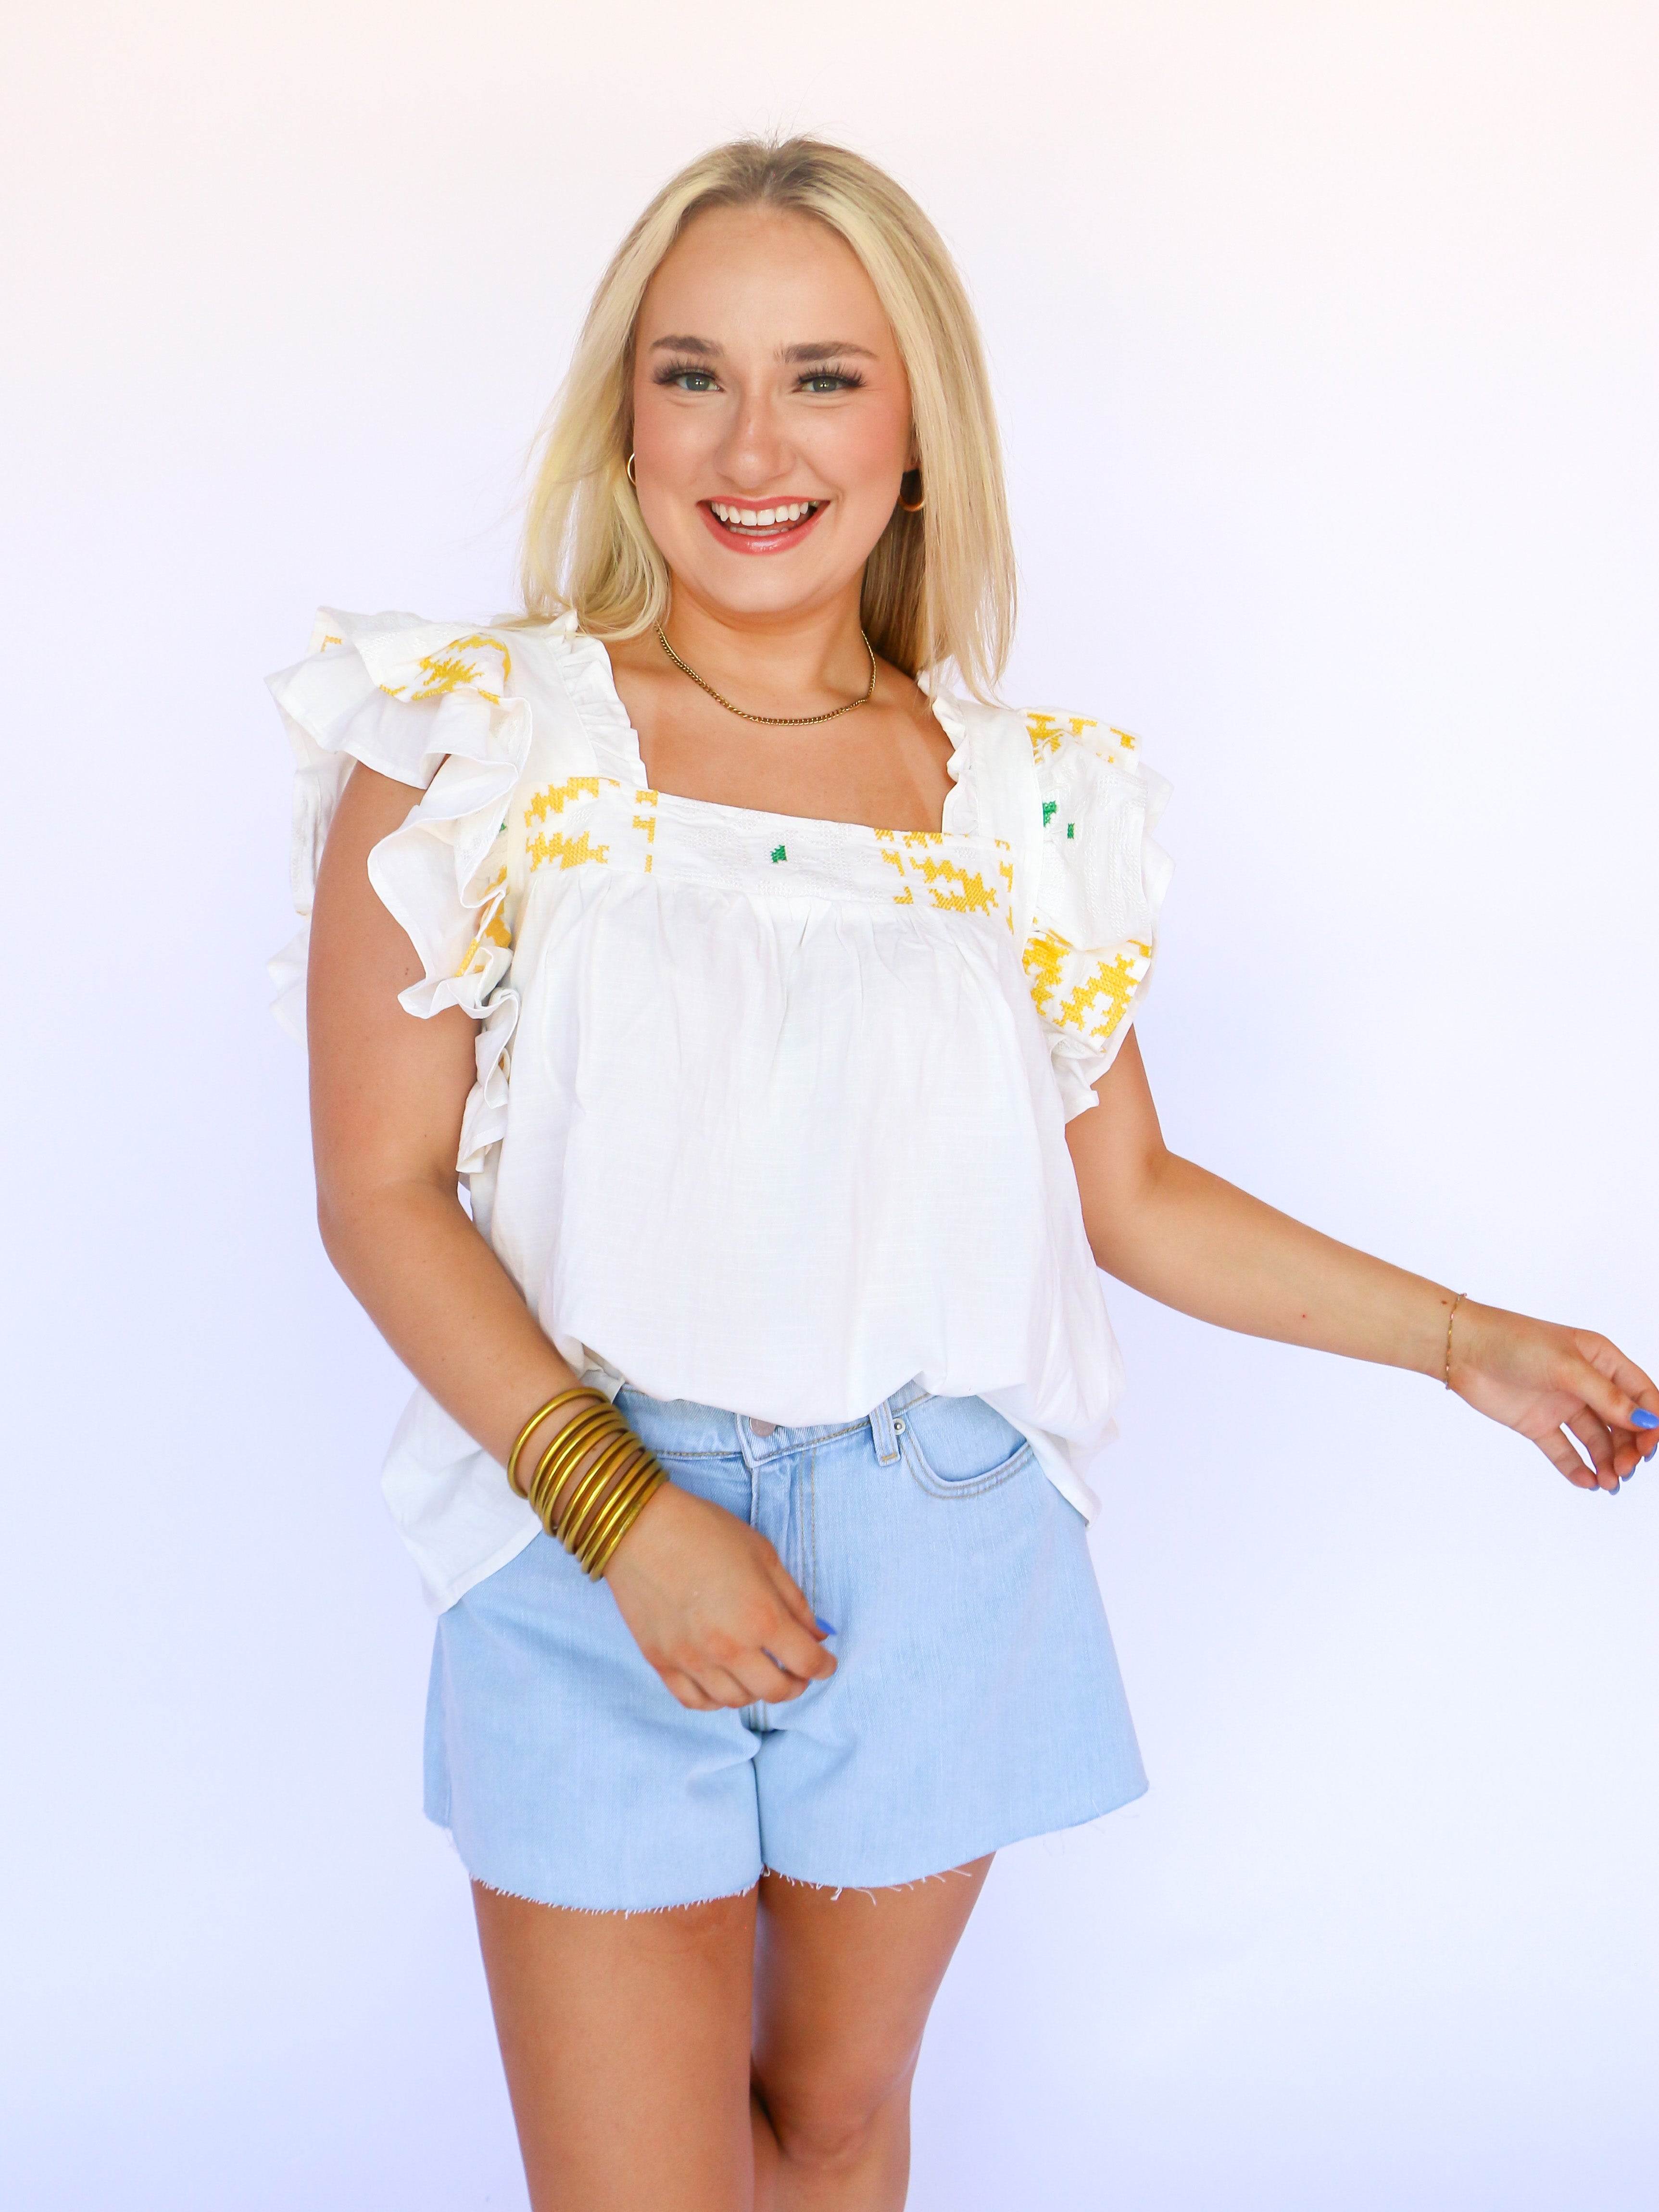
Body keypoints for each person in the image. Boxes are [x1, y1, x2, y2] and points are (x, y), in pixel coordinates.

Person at [270, 136, 1655, 2212]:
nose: (752, 447)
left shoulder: (1018, 805)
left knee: (828, 2128)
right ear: (622, 413)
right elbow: (376, 1191)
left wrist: (1467, 1340)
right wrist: (627, 1519)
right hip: (577, 1534)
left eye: (822, 379)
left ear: (916, 433)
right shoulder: (474, 738)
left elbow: (1133, 1194)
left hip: (938, 1541)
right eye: (692, 375)